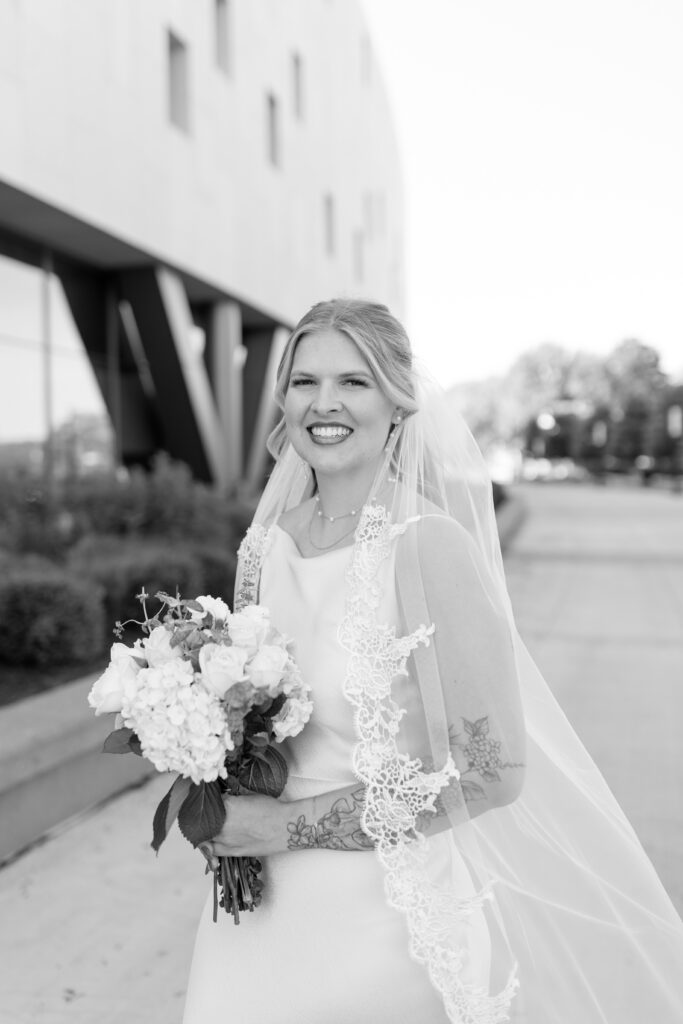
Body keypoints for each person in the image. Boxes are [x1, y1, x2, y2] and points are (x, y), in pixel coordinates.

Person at [183, 299, 683, 1024]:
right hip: (253, 915)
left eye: (354, 382)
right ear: (284, 399)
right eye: (304, 381)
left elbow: (492, 771)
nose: (324, 403)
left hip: (383, 927)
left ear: (398, 402)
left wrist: (282, 829)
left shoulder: (428, 544)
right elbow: (245, 730)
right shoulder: (262, 550)